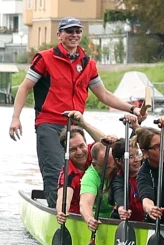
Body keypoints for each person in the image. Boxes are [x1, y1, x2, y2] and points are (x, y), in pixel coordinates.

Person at [8, 17, 146, 209]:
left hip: (76, 124)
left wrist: (133, 109)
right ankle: (55, 210)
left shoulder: (88, 64)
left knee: (92, 162)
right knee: (56, 170)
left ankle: (88, 206)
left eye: (77, 31)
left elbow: (104, 95)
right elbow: (25, 88)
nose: (74, 35)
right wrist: (16, 118)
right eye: (69, 31)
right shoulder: (44, 58)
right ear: (59, 35)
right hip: (49, 123)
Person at [55, 111, 111, 225]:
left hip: (102, 212)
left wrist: (83, 124)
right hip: (79, 218)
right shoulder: (68, 173)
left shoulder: (94, 153)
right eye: (73, 149)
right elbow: (63, 198)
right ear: (65, 152)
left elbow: (109, 144)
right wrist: (61, 212)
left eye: (81, 146)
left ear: (86, 144)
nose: (80, 152)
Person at [80, 142, 117, 232]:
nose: (112, 169)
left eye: (114, 165)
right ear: (94, 164)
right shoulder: (90, 177)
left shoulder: (118, 167)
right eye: (107, 168)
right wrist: (89, 219)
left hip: (119, 217)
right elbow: (85, 204)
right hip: (100, 220)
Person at [110, 130, 144, 222]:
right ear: (118, 161)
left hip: (145, 221)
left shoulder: (146, 172)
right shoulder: (118, 179)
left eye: (138, 154)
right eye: (131, 157)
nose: (137, 160)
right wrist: (121, 208)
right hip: (126, 221)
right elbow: (119, 193)